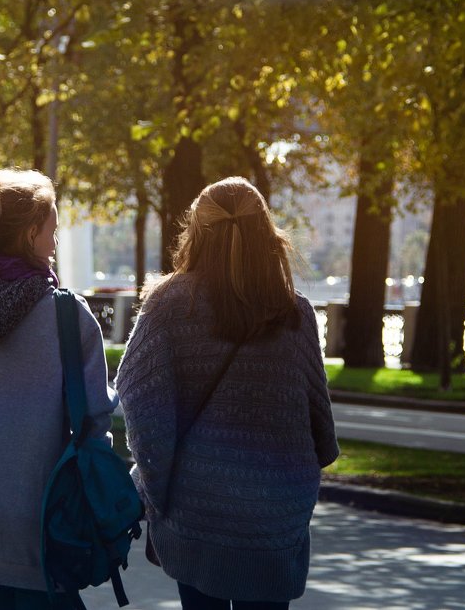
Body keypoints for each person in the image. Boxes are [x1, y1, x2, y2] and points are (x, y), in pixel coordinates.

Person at [116, 177, 339, 610]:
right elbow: (320, 426)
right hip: (276, 520)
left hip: (196, 513)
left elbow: (140, 401)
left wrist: (156, 490)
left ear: (196, 232)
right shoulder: (295, 313)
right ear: (267, 234)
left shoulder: (168, 305)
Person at [0, 167, 117, 610]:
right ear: (31, 233)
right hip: (44, 517)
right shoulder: (67, 315)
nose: (54, 243)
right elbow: (94, 418)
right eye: (52, 232)